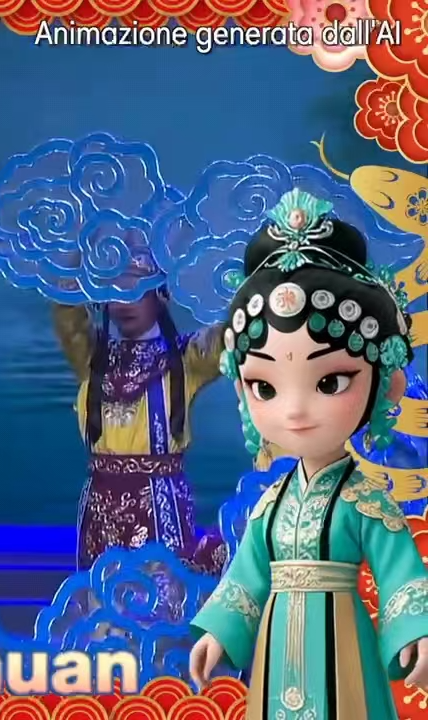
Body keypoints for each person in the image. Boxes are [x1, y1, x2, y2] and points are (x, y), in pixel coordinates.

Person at [188, 189, 428, 717]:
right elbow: (246, 578)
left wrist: (416, 630)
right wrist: (219, 633)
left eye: (331, 381)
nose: (295, 411)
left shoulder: (365, 502)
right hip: (277, 643)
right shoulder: (271, 503)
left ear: (384, 384)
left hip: (342, 639)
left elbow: (401, 575)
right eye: (266, 387)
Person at [52, 254, 227, 573]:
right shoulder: (92, 357)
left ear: (160, 294)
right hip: (100, 507)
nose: (124, 301)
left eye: (137, 289)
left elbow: (229, 334)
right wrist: (74, 256)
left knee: (163, 592)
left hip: (161, 505)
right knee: (100, 594)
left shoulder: (187, 358)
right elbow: (68, 316)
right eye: (115, 290)